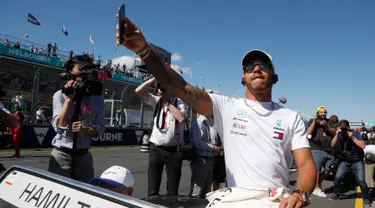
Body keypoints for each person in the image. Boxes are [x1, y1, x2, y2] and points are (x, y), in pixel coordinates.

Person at [116, 17, 316, 207]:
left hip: (276, 201)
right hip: (235, 200)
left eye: (263, 65)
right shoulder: (226, 107)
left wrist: (300, 194)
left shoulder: (290, 117)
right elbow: (182, 88)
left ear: (274, 77)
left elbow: (306, 164)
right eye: (249, 66)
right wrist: (144, 50)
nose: (256, 68)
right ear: (243, 78)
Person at [48, 55, 105, 183]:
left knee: (85, 194)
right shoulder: (59, 95)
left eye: (87, 69)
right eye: (80, 69)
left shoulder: (97, 98)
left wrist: (87, 130)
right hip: (62, 154)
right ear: (71, 73)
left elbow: (100, 128)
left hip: (84, 156)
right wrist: (69, 98)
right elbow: (59, 126)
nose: (84, 73)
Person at [135, 77, 186, 197]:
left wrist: (167, 102)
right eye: (161, 87)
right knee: (152, 188)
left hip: (173, 150)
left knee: (172, 190)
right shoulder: (156, 101)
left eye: (165, 88)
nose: (162, 90)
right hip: (156, 148)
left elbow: (181, 118)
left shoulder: (178, 102)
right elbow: (138, 90)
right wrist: (154, 79)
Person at [330, 120, 371, 207]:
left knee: (361, 181)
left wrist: (352, 136)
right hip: (345, 161)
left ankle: (366, 198)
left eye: (345, 127)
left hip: (357, 161)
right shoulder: (339, 135)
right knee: (337, 178)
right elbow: (333, 145)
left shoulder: (355, 134)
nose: (343, 129)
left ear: (348, 127)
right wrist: (337, 134)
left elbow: (363, 146)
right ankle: (336, 194)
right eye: (342, 127)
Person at [189, 109, 221, 198]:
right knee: (197, 191)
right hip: (201, 159)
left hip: (210, 158)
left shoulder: (212, 123)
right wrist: (214, 147)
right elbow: (198, 143)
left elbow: (214, 139)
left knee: (206, 190)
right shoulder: (198, 123)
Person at [306, 106, 336, 197]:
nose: (323, 114)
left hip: (329, 150)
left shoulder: (329, 121)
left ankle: (317, 183)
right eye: (321, 112)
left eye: (325, 112)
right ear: (317, 113)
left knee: (328, 171)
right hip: (316, 148)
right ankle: (316, 188)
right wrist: (314, 122)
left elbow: (334, 133)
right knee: (317, 170)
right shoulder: (312, 120)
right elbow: (308, 132)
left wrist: (326, 126)